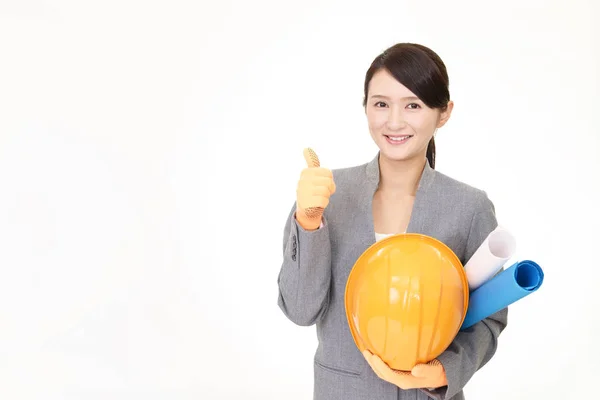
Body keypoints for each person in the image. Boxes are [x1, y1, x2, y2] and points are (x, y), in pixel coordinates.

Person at [276, 42, 508, 400]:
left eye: (413, 105)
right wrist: (308, 222)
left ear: (443, 113)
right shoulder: (327, 195)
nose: (394, 121)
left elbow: (489, 316)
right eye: (381, 103)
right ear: (366, 107)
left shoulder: (470, 207)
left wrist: (444, 370)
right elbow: (300, 310)